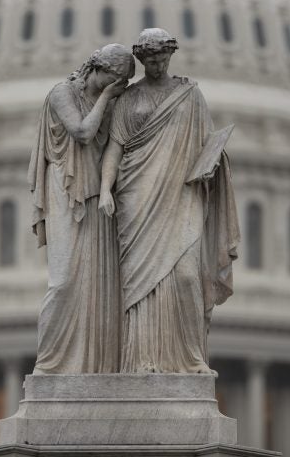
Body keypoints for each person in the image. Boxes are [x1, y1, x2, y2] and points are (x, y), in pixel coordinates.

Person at [99, 29, 239, 374]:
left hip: (182, 193)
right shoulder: (129, 99)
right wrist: (105, 189)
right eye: (150, 61)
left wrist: (212, 165)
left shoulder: (189, 96)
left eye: (162, 59)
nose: (157, 65)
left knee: (187, 277)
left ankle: (190, 359)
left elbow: (207, 144)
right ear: (142, 61)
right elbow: (114, 148)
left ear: (170, 56)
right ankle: (141, 360)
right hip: (137, 198)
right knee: (140, 285)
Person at [29, 44, 135, 374]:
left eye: (121, 84)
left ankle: (94, 366)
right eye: (113, 80)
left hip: (97, 196)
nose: (115, 89)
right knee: (63, 282)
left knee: (97, 284)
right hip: (65, 188)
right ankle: (50, 366)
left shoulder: (114, 101)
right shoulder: (63, 93)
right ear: (96, 70)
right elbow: (83, 132)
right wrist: (107, 97)